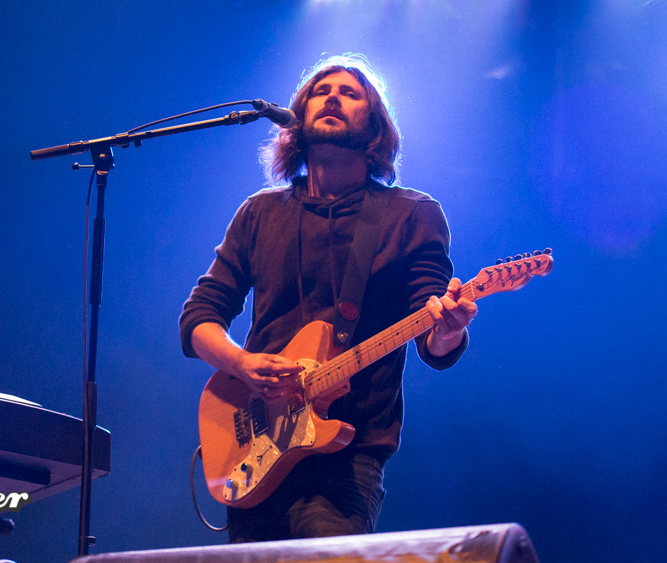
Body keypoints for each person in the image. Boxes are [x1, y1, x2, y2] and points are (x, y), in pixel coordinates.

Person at [179, 55, 477, 543]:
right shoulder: (259, 212)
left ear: (375, 126)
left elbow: (434, 338)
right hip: (254, 448)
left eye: (350, 92)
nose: (333, 96)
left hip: (346, 457)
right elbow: (199, 317)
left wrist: (450, 329)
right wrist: (241, 364)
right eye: (321, 90)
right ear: (297, 120)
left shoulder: (412, 215)